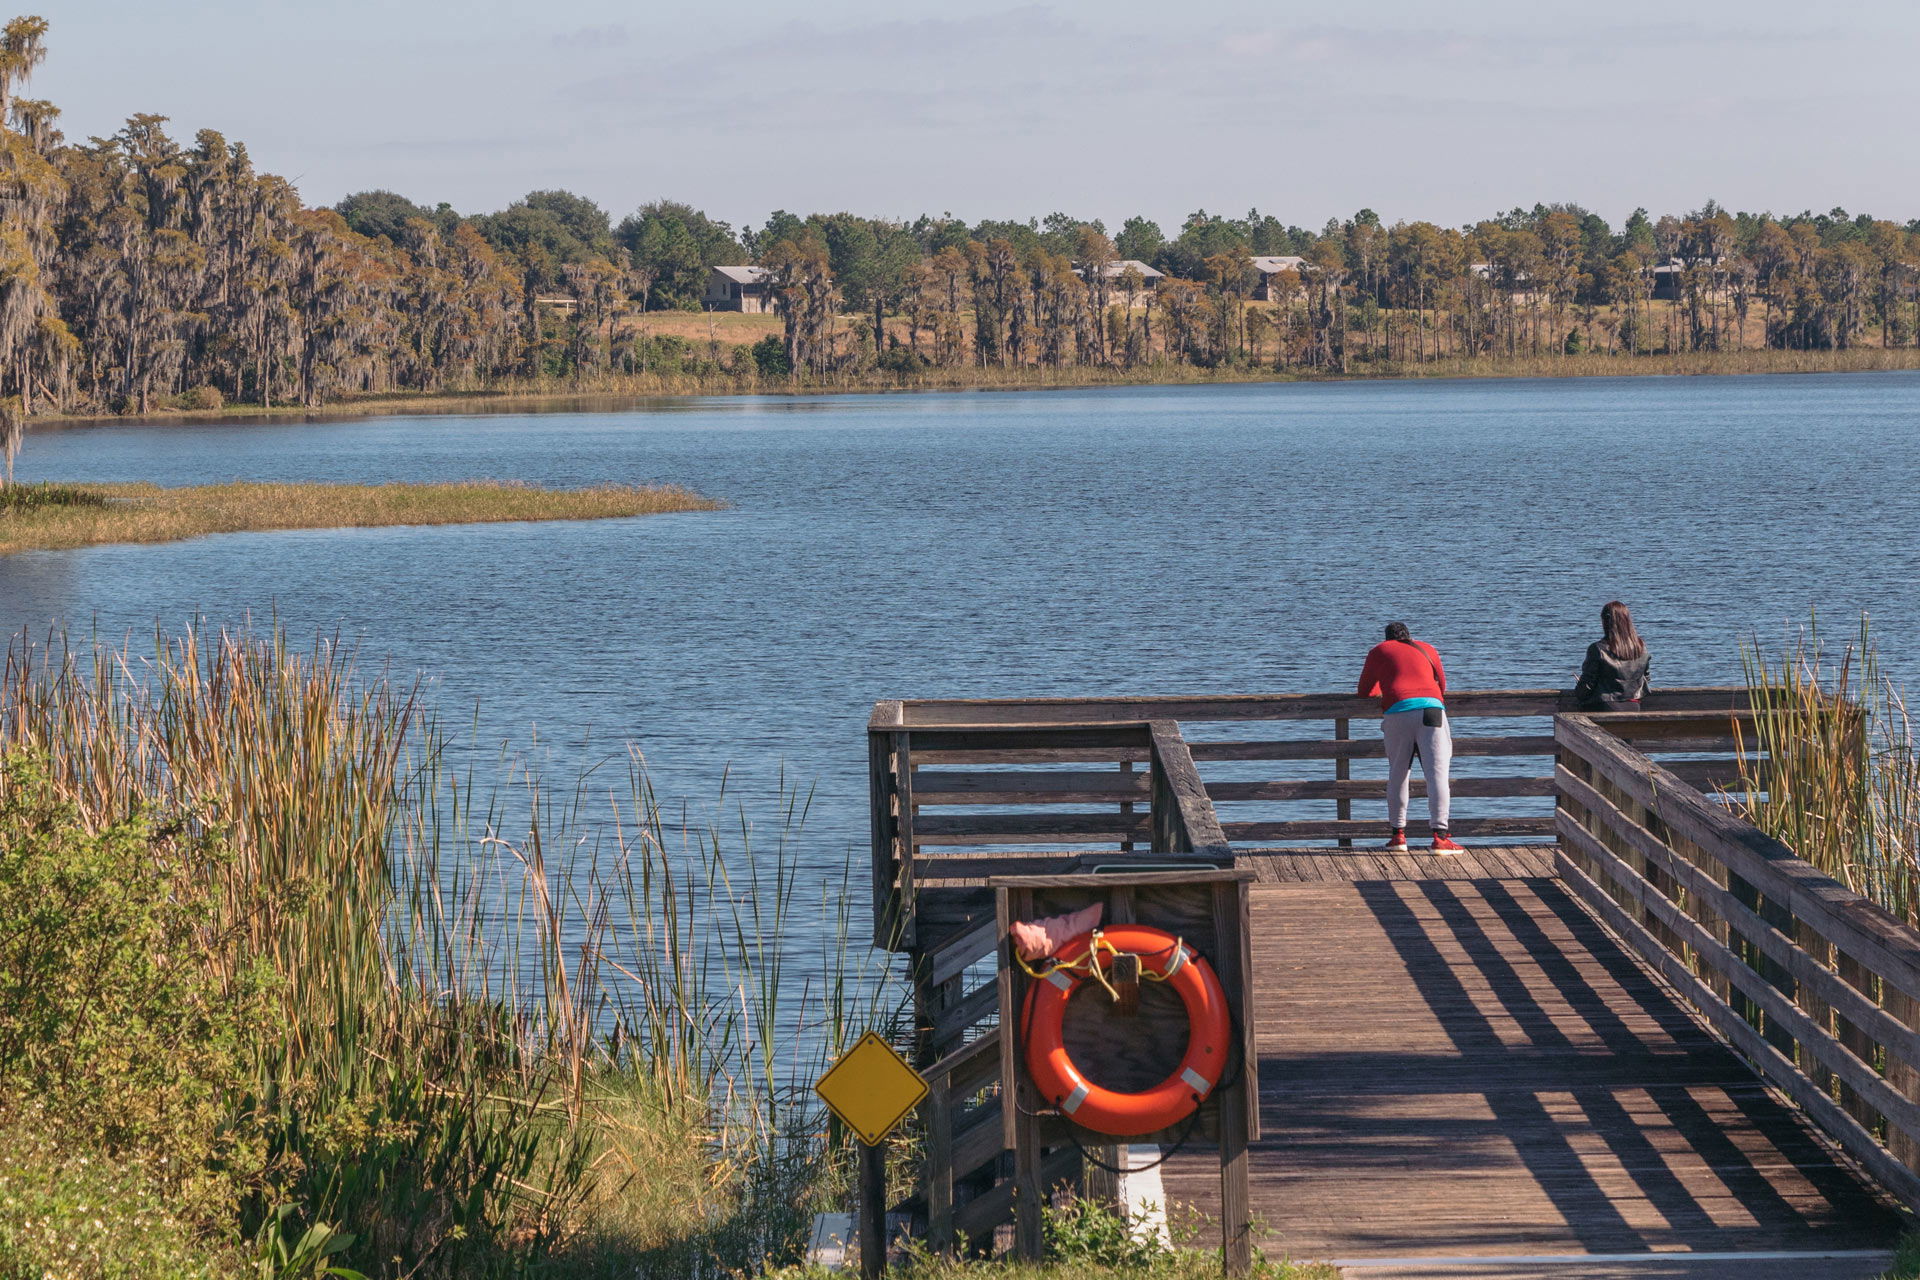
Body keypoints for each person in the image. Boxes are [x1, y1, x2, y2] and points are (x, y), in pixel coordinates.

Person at [1356, 622, 1463, 853]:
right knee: (1437, 775)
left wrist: (1383, 687)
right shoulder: (1428, 648)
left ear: (1387, 639)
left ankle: (1398, 837)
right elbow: (1441, 685)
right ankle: (1440, 837)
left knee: (1398, 773)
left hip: (1397, 711)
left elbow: (1365, 691)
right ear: (1409, 636)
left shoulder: (1379, 651)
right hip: (1432, 711)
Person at [1574, 601, 1652, 711]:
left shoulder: (1598, 649)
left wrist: (1579, 689)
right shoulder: (1641, 647)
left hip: (1605, 706)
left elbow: (1587, 684)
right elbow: (1646, 678)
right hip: (1633, 706)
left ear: (1605, 621)